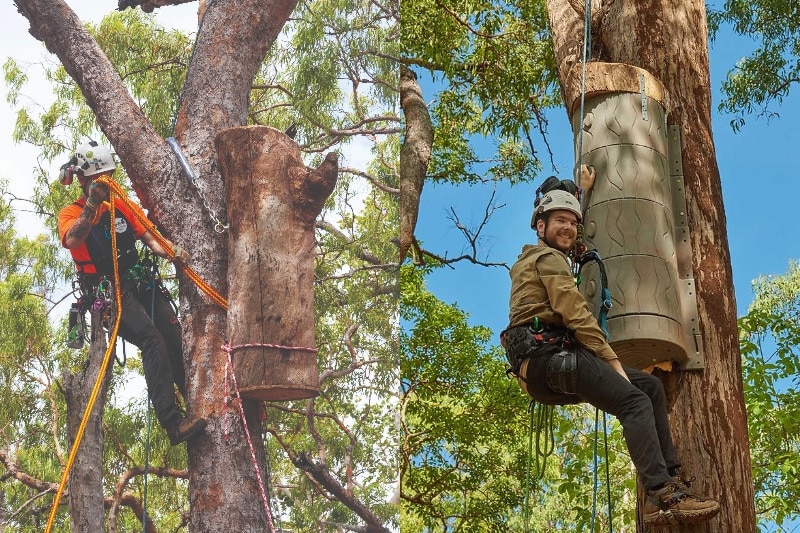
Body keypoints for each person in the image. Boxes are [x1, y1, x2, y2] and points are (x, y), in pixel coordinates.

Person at [502, 184, 720, 525]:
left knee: (649, 388)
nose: (569, 228)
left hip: (547, 364)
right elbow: (572, 311)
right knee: (633, 401)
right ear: (540, 227)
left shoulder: (549, 254)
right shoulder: (546, 258)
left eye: (574, 223)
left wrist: (584, 195)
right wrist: (611, 359)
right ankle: (663, 492)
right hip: (550, 358)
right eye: (560, 220)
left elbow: (572, 235)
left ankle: (667, 482)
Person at [57, 140, 206, 446]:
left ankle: (199, 402)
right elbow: (73, 240)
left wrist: (171, 251)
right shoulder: (71, 213)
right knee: (152, 340)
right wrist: (92, 206)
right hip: (109, 292)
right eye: (101, 178)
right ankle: (173, 423)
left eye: (110, 176)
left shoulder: (121, 205)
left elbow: (148, 236)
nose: (108, 183)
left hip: (139, 282)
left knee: (174, 335)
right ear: (85, 181)